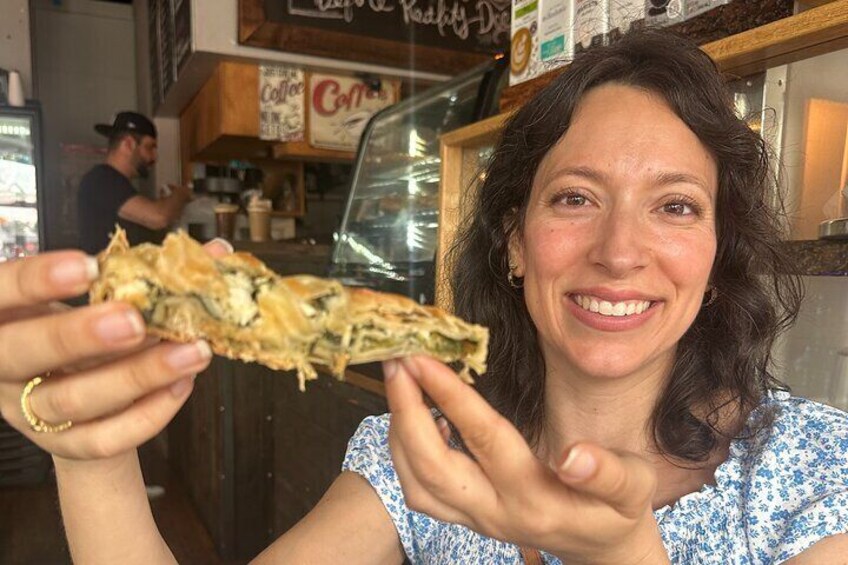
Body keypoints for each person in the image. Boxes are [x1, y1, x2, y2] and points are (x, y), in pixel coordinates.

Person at [0, 30, 846, 564]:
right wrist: (92, 459)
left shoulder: (814, 471)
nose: (620, 251)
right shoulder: (415, 455)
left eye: (675, 207)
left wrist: (619, 554)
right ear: (514, 240)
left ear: (716, 252)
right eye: (575, 197)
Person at [77, 111, 192, 255]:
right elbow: (158, 217)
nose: (154, 157)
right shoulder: (102, 179)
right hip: (110, 276)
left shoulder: (114, 182)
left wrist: (166, 202)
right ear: (129, 144)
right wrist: (181, 193)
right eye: (150, 147)